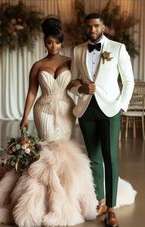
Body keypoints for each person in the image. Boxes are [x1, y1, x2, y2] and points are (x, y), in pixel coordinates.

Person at [0, 16, 136, 227]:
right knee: (49, 149)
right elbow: (32, 93)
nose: (53, 47)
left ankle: (72, 194)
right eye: (49, 43)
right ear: (44, 43)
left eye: (57, 43)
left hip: (67, 109)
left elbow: (77, 82)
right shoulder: (39, 65)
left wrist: (98, 94)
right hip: (44, 110)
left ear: (61, 43)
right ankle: (45, 197)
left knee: (65, 152)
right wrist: (25, 116)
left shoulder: (73, 58)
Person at [69, 13, 135, 227]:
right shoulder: (78, 50)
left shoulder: (117, 48)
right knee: (94, 158)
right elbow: (71, 82)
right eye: (89, 27)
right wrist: (81, 88)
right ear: (85, 28)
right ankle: (101, 202)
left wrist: (122, 106)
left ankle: (112, 208)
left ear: (103, 26)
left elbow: (128, 81)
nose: (93, 30)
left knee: (110, 158)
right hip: (87, 110)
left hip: (110, 109)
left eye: (96, 26)